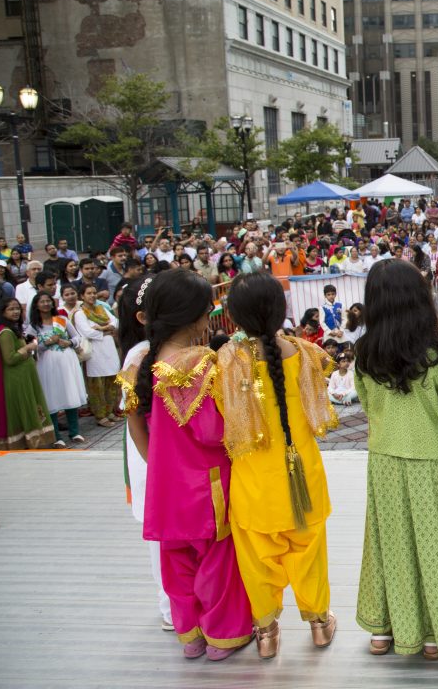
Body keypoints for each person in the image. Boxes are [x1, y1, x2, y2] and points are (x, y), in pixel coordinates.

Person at [352, 259, 438, 660]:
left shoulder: (363, 352)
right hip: (432, 458)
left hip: (384, 460)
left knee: (392, 544)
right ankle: (435, 633)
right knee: (435, 543)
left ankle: (387, 629)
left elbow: (366, 405)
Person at [120, 269, 254, 660]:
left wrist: (161, 465)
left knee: (176, 563)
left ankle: (191, 637)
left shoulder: (140, 361)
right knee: (217, 563)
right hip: (207, 483)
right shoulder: (199, 365)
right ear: (195, 316)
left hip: (165, 485)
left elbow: (135, 428)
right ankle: (222, 636)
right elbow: (213, 432)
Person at [218, 273, 340, 658]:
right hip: (304, 476)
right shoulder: (306, 353)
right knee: (309, 554)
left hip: (254, 484)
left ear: (234, 318)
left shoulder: (227, 362)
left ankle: (267, 634)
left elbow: (224, 415)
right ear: (280, 310)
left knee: (257, 561)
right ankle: (320, 625)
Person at [115, 276, 172, 631]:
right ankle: (170, 607)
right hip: (153, 456)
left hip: (173, 459)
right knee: (160, 535)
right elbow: (134, 417)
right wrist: (156, 462)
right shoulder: (139, 356)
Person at [0, 296, 56, 450]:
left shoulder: (14, 329)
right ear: (2, 312)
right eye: (11, 309)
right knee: (25, 407)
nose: (16, 312)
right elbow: (9, 358)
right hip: (16, 379)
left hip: (24, 377)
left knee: (31, 406)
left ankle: (35, 441)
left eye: (17, 308)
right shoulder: (5, 333)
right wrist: (28, 348)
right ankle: (30, 442)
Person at [24, 292, 87, 446]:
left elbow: (77, 337)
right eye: (42, 301)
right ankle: (56, 435)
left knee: (69, 393)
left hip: (66, 362)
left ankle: (75, 431)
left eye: (48, 301)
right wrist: (46, 343)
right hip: (47, 365)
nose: (46, 304)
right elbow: (30, 348)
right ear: (36, 305)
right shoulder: (34, 327)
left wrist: (70, 343)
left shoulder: (62, 320)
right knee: (51, 397)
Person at [71, 283, 121, 427]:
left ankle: (110, 411)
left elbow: (115, 322)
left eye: (94, 292)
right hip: (95, 352)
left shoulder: (101, 308)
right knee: (97, 384)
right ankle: (100, 416)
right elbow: (88, 332)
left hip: (109, 349)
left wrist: (101, 328)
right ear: (82, 296)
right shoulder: (80, 313)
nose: (92, 295)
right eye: (89, 293)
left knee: (111, 381)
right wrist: (107, 330)